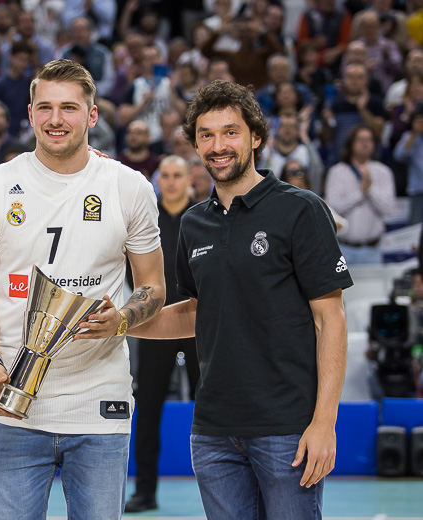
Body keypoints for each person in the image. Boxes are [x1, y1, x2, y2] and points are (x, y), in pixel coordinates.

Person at [129, 80, 353, 519]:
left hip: (286, 429)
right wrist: (118, 324)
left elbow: (331, 320)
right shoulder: (195, 223)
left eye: (230, 132)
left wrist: (324, 422)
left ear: (255, 136)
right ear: (195, 144)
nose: (218, 146)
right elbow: (194, 312)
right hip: (212, 432)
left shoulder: (302, 209)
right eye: (207, 136)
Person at [0, 59, 166, 520]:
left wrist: (123, 319)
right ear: (30, 113)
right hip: (13, 406)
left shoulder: (128, 187)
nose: (56, 119)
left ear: (92, 116)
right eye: (46, 107)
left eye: (70, 108)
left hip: (99, 404)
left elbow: (153, 286)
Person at [124, 155, 200, 514]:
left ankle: (221, 485)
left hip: (201, 323)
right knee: (148, 407)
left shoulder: (204, 217)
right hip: (156, 326)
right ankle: (144, 491)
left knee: (214, 408)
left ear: (189, 180)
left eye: (177, 175)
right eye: (164, 176)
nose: (170, 182)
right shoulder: (145, 217)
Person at [326, 125, 395, 265]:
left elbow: (388, 209)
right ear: (351, 144)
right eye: (360, 139)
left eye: (369, 140)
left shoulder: (383, 171)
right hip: (343, 248)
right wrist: (360, 193)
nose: (365, 143)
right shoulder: (337, 172)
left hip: (373, 249)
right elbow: (333, 208)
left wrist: (369, 189)